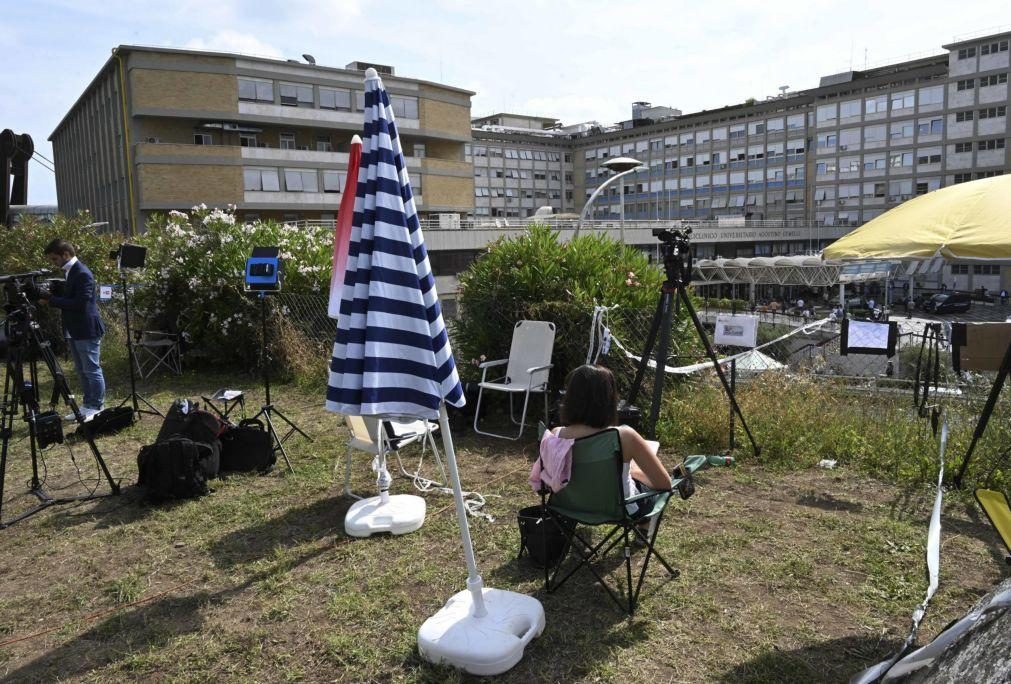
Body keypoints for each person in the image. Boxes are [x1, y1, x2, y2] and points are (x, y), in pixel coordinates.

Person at [542, 365, 671, 514]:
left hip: (569, 507)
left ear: (570, 398)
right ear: (609, 400)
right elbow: (664, 484)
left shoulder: (556, 436)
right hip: (619, 510)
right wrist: (633, 471)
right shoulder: (625, 436)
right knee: (656, 493)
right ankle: (644, 529)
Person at [38, 238, 106, 419]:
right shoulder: (70, 272)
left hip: (86, 329)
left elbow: (80, 303)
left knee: (92, 369)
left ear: (65, 254)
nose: (54, 263)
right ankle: (87, 405)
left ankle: (97, 406)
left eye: (54, 259)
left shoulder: (82, 273)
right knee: (82, 370)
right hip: (75, 329)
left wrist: (50, 300)